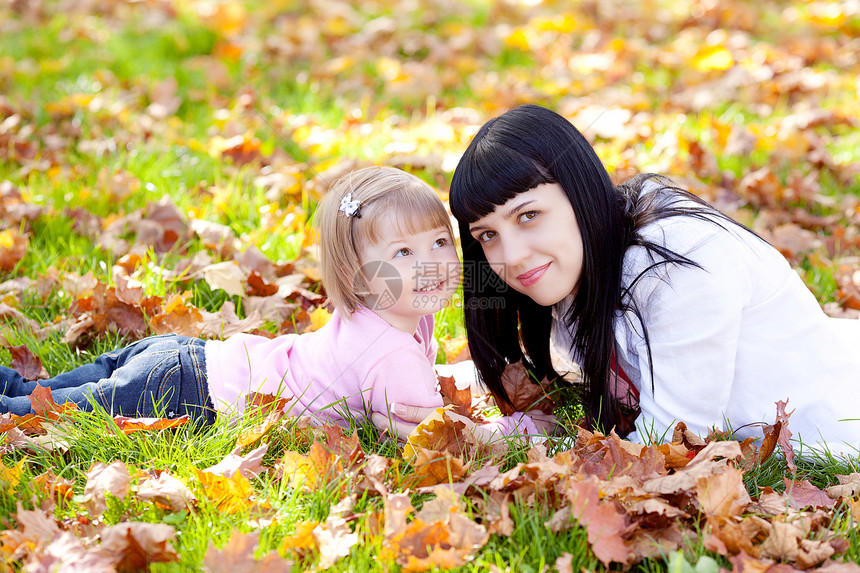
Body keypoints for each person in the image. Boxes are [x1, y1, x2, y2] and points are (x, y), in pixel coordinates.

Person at [391, 104, 859, 458]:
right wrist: (411, 381)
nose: (509, 256)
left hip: (839, 424)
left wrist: (493, 445)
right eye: (488, 235)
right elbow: (560, 371)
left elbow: (671, 440)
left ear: (580, 191)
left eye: (529, 215)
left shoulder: (678, 263)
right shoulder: (575, 269)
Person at [0, 166, 540, 439]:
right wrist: (527, 428)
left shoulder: (388, 313)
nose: (434, 262)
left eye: (441, 243)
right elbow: (436, 437)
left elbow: (418, 369)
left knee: (36, 393)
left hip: (187, 357)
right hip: (183, 395)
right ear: (360, 273)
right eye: (402, 252)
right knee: (34, 416)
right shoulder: (391, 352)